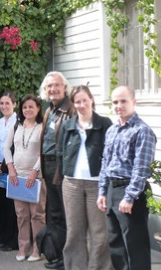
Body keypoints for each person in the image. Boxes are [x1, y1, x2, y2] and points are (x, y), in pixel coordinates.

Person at [97, 86, 156, 270]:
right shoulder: (112, 130)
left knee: (135, 246)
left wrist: (129, 197)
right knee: (116, 245)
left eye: (123, 101)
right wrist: (102, 191)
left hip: (131, 192)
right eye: (115, 102)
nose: (119, 105)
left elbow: (141, 168)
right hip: (112, 190)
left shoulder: (142, 131)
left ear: (134, 102)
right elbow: (105, 163)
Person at [56, 85, 112, 270]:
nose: (81, 105)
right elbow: (60, 151)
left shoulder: (104, 124)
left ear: (91, 100)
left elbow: (110, 154)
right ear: (73, 104)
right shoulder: (67, 125)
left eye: (84, 100)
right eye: (77, 101)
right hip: (72, 184)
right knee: (74, 231)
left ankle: (99, 267)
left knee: (99, 232)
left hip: (97, 185)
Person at [38, 71, 75, 270]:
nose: (53, 89)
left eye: (56, 85)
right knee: (55, 214)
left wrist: (67, 169)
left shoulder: (71, 110)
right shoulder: (49, 110)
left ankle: (68, 259)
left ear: (64, 88)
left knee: (67, 214)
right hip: (48, 166)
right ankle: (59, 255)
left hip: (62, 168)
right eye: (49, 86)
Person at [4, 94, 46, 263]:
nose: (28, 110)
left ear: (38, 109)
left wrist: (35, 171)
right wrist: (11, 168)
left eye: (31, 107)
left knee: (37, 215)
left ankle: (38, 248)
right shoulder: (17, 125)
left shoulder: (42, 126)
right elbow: (6, 148)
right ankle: (23, 247)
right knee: (21, 215)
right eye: (25, 107)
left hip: (35, 177)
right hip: (17, 176)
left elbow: (44, 151)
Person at [0, 91, 19, 252]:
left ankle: (13, 241)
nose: (4, 106)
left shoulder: (19, 121)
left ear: (14, 104)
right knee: (2, 205)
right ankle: (3, 240)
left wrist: (9, 165)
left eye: (7, 103)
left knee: (13, 206)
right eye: (2, 103)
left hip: (13, 166)